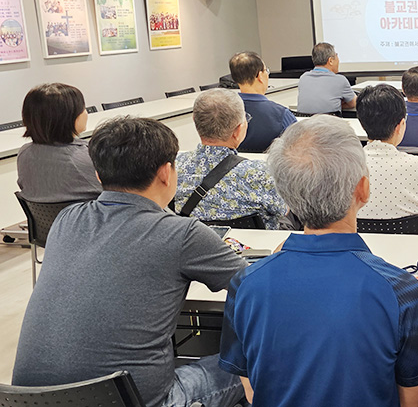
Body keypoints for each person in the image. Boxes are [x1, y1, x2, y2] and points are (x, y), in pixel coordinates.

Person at [13, 116, 247, 407]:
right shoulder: (182, 234)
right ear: (166, 173)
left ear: (98, 175)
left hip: (29, 400)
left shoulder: (67, 219)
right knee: (252, 361)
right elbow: (256, 286)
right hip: (134, 401)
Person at [219, 116, 418, 407]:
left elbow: (252, 390)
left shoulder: (244, 284)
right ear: (363, 189)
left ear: (285, 198)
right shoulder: (402, 291)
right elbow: (413, 402)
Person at [174, 89, 288, 229]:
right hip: (249, 243)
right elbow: (285, 209)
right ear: (238, 130)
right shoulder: (260, 173)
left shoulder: (174, 166)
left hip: (192, 241)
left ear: (194, 121)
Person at [355, 84, 418, 228]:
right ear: (401, 125)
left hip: (361, 241)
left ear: (362, 125)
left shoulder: (347, 166)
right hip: (412, 242)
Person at [16, 83, 102, 203]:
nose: (86, 113)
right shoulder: (87, 158)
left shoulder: (24, 154)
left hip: (46, 216)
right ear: (69, 117)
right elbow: (118, 193)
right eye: (83, 108)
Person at [229, 50, 296, 153]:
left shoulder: (224, 113)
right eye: (266, 71)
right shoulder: (282, 115)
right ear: (260, 75)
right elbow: (298, 147)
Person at [297, 42, 357, 115]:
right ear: (330, 61)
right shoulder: (340, 80)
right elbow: (353, 103)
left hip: (305, 121)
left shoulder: (303, 78)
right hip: (330, 121)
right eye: (336, 56)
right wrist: (339, 103)